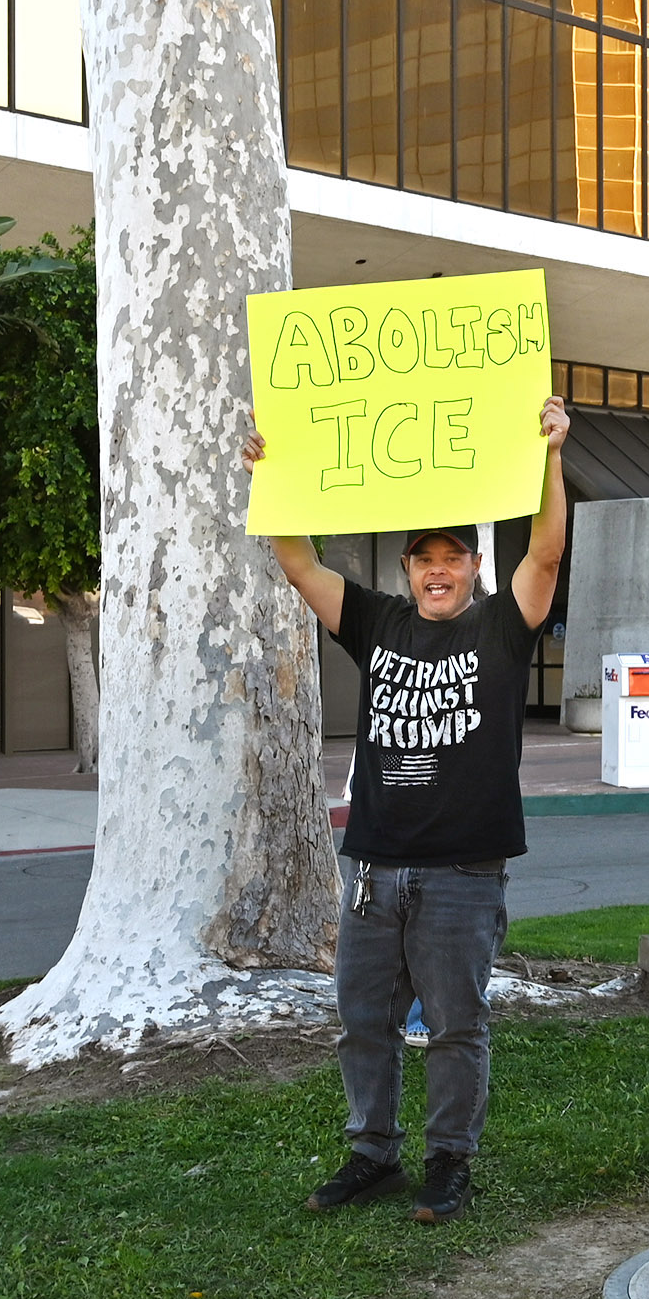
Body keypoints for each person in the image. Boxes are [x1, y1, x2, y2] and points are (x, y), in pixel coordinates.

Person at [250, 397, 570, 1229]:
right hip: (374, 866)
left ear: (473, 567)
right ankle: (372, 1153)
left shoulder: (503, 627)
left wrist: (550, 455)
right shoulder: (378, 621)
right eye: (423, 557)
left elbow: (546, 550)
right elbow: (299, 565)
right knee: (363, 1020)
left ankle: (449, 1163)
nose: (437, 570)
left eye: (452, 557)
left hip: (464, 871)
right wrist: (271, 477)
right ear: (405, 568)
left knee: (456, 1027)